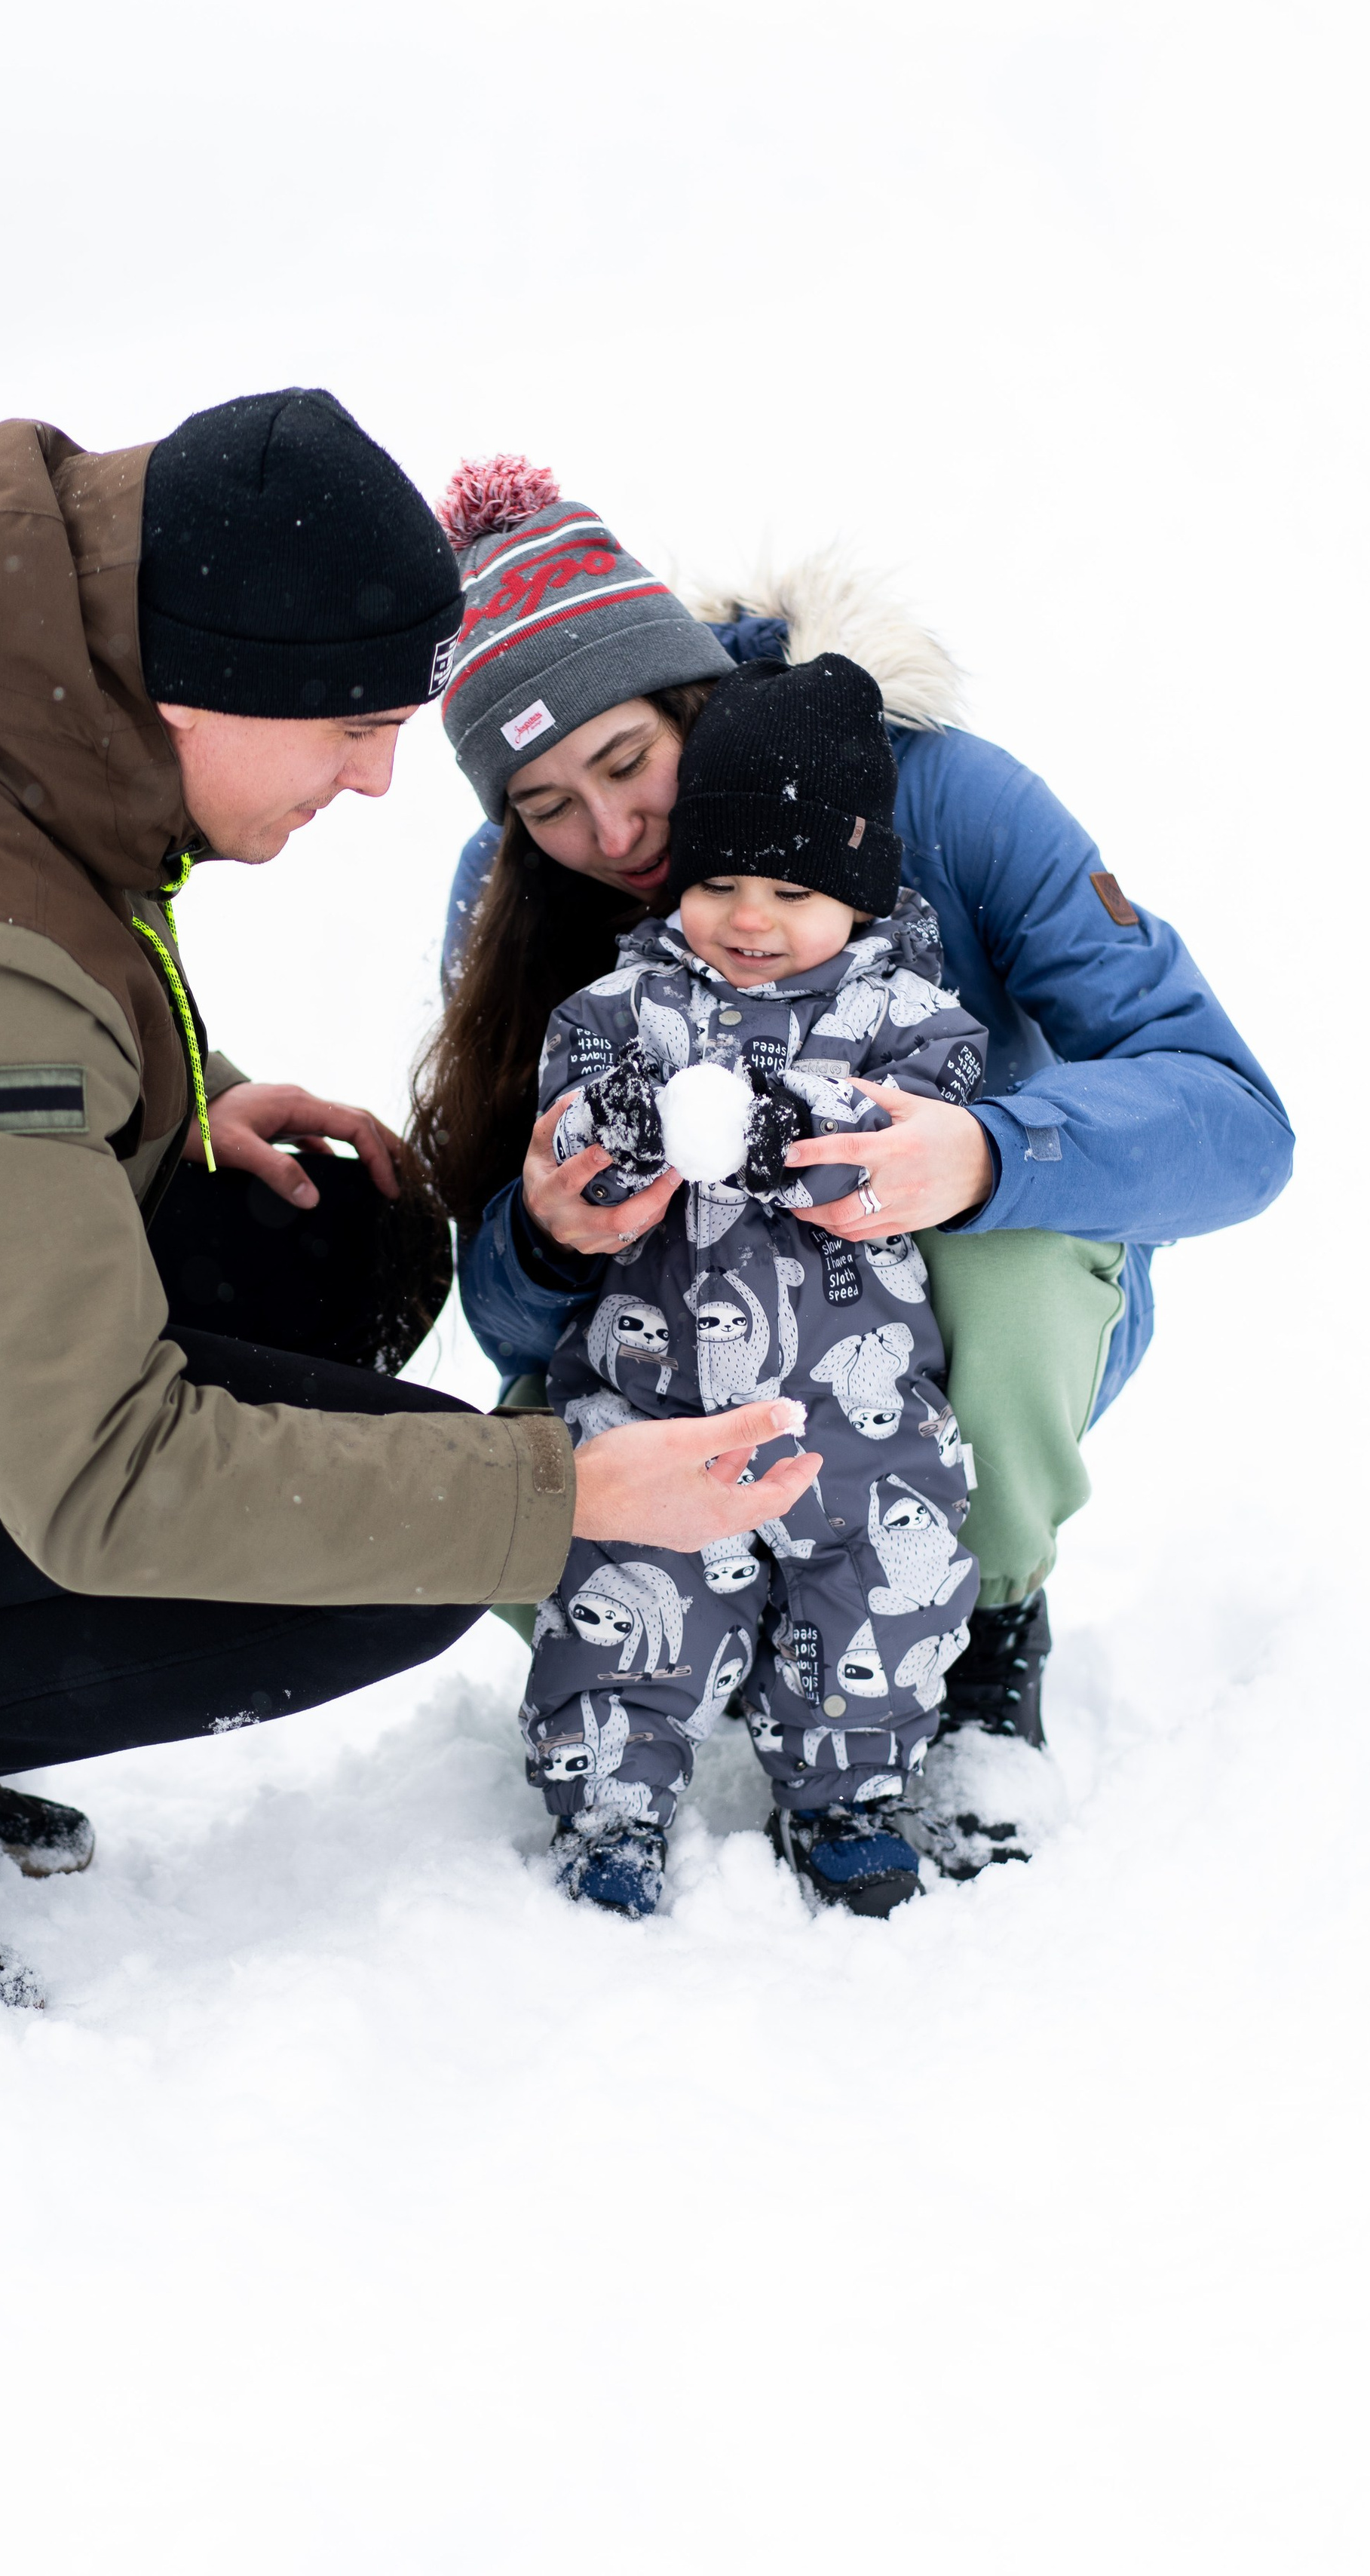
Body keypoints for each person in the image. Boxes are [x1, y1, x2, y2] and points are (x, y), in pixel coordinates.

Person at [0, 394, 820, 2002]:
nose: (368, 782)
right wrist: (564, 1495)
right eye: (349, 730)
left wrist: (175, 1094)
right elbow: (102, 1477)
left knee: (329, 1226)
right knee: (404, 1551)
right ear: (200, 692)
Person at [409, 455, 1293, 1875]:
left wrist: (989, 1154)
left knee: (992, 1262)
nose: (614, 834)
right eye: (547, 803)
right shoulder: (522, 901)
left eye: (630, 761)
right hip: (686, 1341)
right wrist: (546, 1241)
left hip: (949, 1320)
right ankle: (693, 1657)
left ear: (688, 691)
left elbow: (1240, 1126)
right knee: (551, 1457)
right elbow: (503, 1319)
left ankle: (983, 1616)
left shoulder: (945, 799)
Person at [522, 650, 994, 1920]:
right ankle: (611, 1803)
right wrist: (626, 1122)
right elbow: (565, 1131)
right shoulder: (626, 1008)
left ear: (857, 894)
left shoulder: (906, 1014)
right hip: (656, 1398)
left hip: (862, 1409)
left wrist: (776, 1121)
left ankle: (847, 1794)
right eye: (719, 880)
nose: (748, 917)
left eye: (792, 888)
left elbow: (918, 1114)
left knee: (875, 1600)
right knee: (631, 1589)